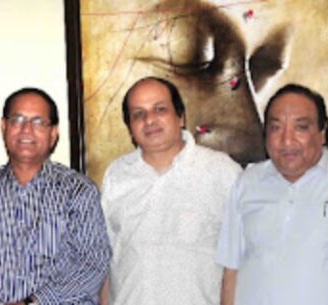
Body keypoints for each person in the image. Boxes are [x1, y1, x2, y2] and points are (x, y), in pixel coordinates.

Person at [215, 84, 328, 305]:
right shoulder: (247, 183)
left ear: (322, 133)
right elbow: (231, 269)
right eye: (276, 128)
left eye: (301, 127)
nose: (287, 140)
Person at [0, 88, 111, 304]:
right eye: (17, 120)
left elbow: (91, 263)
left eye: (38, 122)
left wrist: (34, 302)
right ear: (4, 127)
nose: (26, 129)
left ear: (53, 133)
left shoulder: (78, 191)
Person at [99, 77, 242, 305]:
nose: (149, 120)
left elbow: (238, 263)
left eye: (160, 109)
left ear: (180, 117)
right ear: (130, 127)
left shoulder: (222, 172)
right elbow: (107, 260)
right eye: (138, 114)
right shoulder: (116, 175)